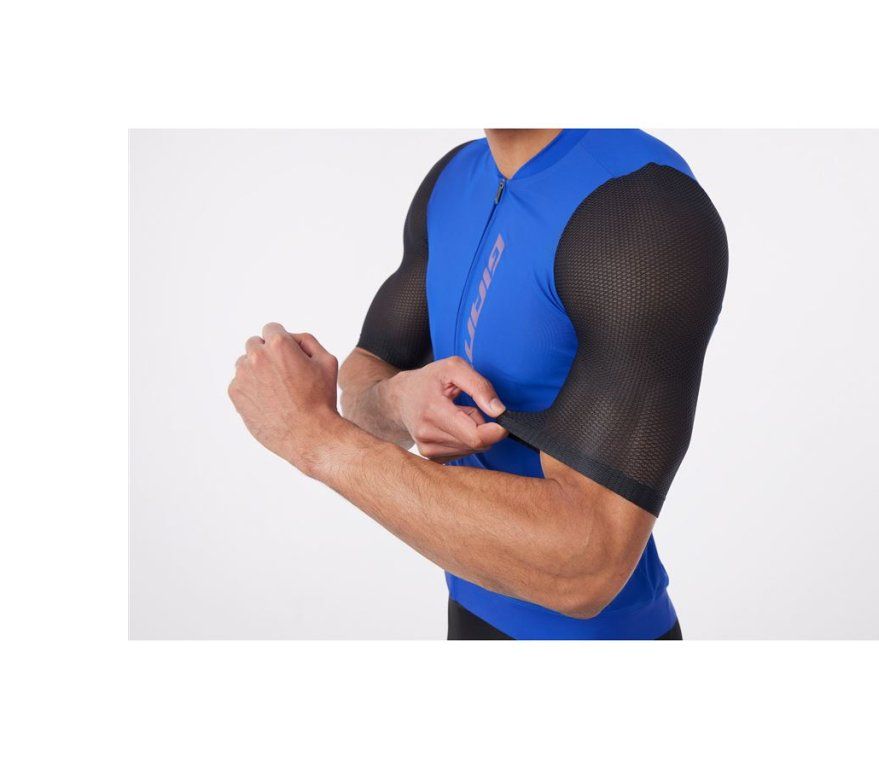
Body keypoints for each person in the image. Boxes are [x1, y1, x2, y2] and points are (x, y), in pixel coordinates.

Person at [228, 129, 728, 640]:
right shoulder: (454, 178)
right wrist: (399, 400)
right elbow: (367, 377)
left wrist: (316, 438)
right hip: (469, 608)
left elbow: (589, 567)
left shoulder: (641, 205)